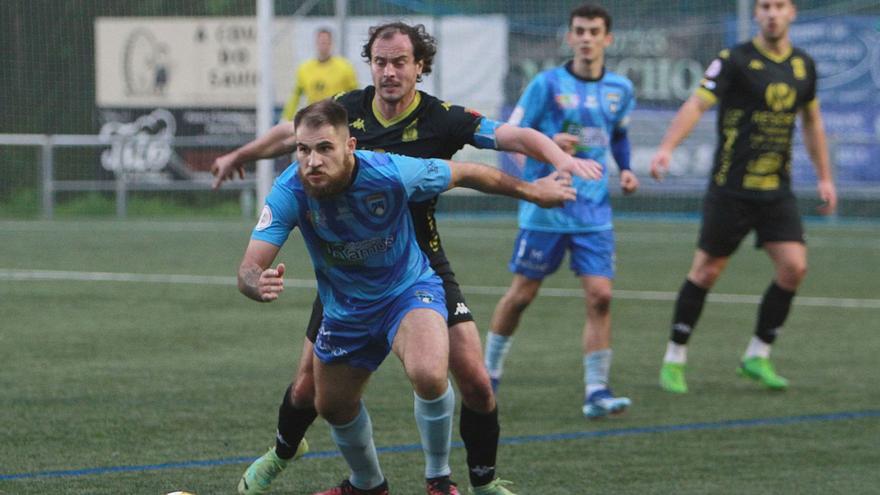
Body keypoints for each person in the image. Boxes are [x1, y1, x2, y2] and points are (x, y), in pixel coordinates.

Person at [214, 22, 601, 495]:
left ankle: (467, 481)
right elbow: (290, 132)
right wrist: (242, 154)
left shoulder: (441, 121)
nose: (389, 71)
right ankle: (287, 454)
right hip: (345, 267)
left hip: (419, 261)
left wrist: (557, 170)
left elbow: (511, 139)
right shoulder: (344, 113)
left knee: (470, 380)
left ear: (420, 67)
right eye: (380, 61)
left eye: (400, 62)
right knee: (309, 392)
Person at [650, 0, 837, 394]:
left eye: (779, 5)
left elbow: (812, 122)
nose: (772, 13)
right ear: (756, 14)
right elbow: (697, 104)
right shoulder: (733, 59)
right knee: (705, 272)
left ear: (792, 13)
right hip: (730, 190)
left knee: (794, 268)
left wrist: (825, 177)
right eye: (765, 6)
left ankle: (757, 354)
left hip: (776, 190)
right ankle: (674, 358)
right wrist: (667, 147)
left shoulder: (805, 65)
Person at [483, 4, 637, 420]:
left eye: (594, 32)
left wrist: (625, 170)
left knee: (601, 296)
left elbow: (618, 134)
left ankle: (597, 390)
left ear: (608, 39)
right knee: (521, 296)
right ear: (569, 38)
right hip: (547, 206)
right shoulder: (545, 84)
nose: (586, 38)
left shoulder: (620, 88)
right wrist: (548, 142)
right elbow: (509, 135)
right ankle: (488, 373)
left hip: (593, 212)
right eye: (580, 31)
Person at [279, 28, 358, 121]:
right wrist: (286, 117)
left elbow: (355, 94)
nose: (323, 46)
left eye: (326, 42)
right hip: (314, 119)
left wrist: (356, 115)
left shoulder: (345, 67)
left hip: (337, 119)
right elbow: (296, 96)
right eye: (321, 42)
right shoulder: (304, 69)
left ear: (331, 44)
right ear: (316, 43)